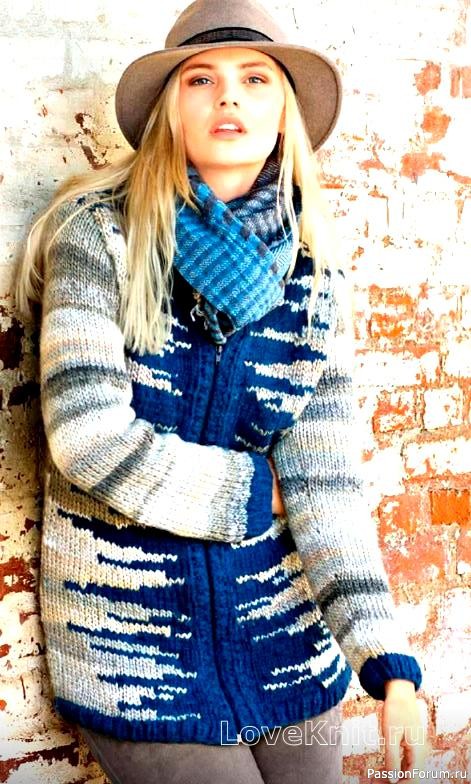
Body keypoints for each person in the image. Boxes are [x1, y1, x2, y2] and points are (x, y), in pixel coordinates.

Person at [15, 1, 428, 782]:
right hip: (134, 649)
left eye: (255, 79)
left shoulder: (312, 277)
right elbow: (88, 438)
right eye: (200, 79)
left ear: (284, 112)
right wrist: (252, 491)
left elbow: (325, 484)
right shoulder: (99, 237)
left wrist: (384, 659)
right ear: (170, 109)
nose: (228, 95)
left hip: (283, 643)